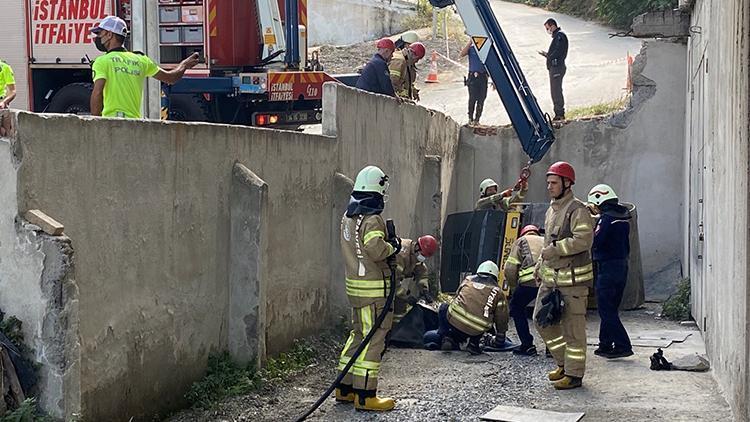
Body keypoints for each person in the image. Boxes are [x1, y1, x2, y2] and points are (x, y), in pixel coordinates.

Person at [337, 165, 400, 411]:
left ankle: (345, 389)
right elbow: (375, 248)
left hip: (356, 289)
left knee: (357, 336)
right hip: (374, 293)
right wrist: (393, 247)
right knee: (373, 339)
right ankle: (365, 396)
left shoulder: (348, 216)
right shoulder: (372, 218)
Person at [533, 161, 594, 390]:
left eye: (554, 183)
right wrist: (540, 264)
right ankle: (563, 364)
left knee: (573, 331)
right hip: (551, 280)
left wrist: (557, 250)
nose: (549, 187)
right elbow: (548, 243)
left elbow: (583, 240)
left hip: (574, 283)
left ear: (567, 184)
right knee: (542, 321)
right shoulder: (552, 210)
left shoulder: (578, 210)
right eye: (548, 182)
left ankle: (574, 375)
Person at [90, 16, 199, 118]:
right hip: (135, 125)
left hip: (112, 124)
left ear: (109, 35)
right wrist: (184, 64)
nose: (98, 37)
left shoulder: (102, 61)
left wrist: (96, 123)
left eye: (100, 33)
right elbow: (171, 78)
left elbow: (98, 92)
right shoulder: (141, 60)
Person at [423, 261, 508, 355]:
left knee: (443, 307)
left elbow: (457, 298)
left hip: (455, 322)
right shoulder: (499, 292)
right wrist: (500, 337)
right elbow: (501, 318)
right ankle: (473, 345)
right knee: (484, 317)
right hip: (477, 329)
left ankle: (447, 337)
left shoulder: (468, 280)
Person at [587, 184, 633, 359]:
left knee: (606, 310)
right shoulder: (622, 216)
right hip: (622, 266)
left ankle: (623, 345)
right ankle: (605, 344)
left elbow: (596, 240)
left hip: (607, 268)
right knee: (611, 308)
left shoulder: (606, 219)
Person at [504, 224, 544, 356]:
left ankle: (527, 345)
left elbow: (510, 268)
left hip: (529, 282)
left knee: (516, 307)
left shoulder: (521, 241)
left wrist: (514, 287)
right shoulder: (545, 240)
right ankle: (551, 348)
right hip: (547, 281)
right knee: (548, 311)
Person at [393, 235, 439, 325]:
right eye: (422, 255)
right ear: (418, 246)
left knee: (400, 309)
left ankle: (396, 330)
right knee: (393, 306)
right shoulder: (401, 255)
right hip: (384, 281)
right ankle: (390, 331)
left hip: (394, 282)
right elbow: (393, 282)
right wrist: (407, 296)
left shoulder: (414, 252)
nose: (422, 257)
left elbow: (421, 271)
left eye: (424, 256)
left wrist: (424, 289)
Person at [538, 18, 568, 121]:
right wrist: (547, 55)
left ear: (552, 26)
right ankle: (558, 113)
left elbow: (558, 52)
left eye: (548, 28)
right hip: (555, 67)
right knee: (554, 90)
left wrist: (549, 56)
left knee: (556, 91)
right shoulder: (557, 37)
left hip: (557, 67)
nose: (548, 31)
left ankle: (559, 114)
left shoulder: (560, 36)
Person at [460, 40, 488, 126]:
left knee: (481, 99)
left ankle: (477, 119)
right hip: (473, 76)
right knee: (472, 98)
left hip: (483, 76)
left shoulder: (485, 50)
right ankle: (470, 118)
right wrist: (469, 42)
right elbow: (462, 54)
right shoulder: (471, 49)